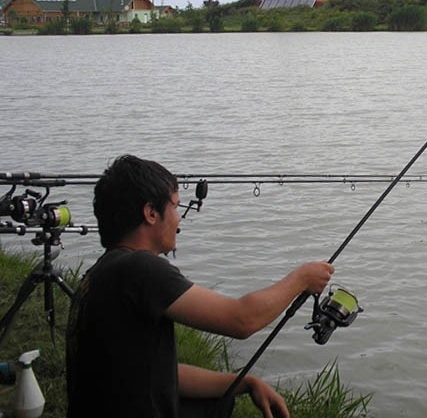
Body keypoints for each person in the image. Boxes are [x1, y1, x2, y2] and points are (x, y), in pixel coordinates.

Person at [66, 155, 334, 418]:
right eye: (175, 207)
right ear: (150, 213)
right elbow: (241, 319)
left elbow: (162, 373)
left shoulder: (100, 273)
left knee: (219, 401)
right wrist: (301, 279)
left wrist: (245, 383)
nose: (179, 219)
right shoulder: (140, 270)